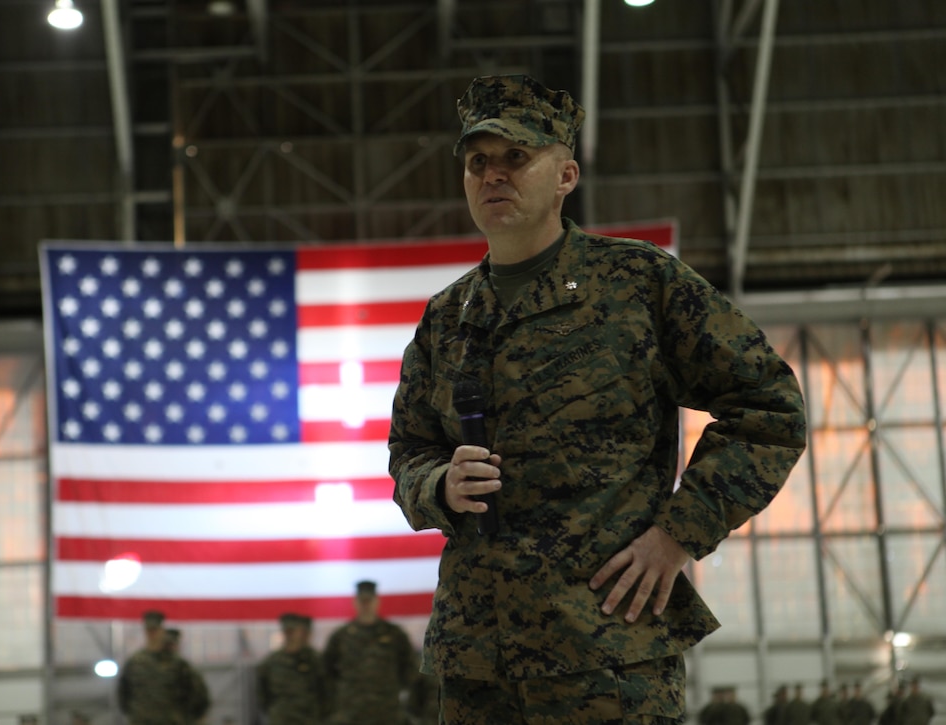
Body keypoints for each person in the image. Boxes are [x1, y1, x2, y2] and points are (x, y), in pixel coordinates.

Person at [387, 73, 807, 724]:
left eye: (515, 158)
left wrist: (676, 535)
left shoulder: (640, 285)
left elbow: (771, 409)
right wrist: (438, 483)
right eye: (477, 162)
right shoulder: (447, 318)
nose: (493, 174)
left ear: (566, 176)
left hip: (608, 655)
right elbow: (409, 450)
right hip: (478, 664)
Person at [322, 581, 416, 724]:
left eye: (369, 601)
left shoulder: (394, 635)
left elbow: (410, 667)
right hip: (350, 714)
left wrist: (391, 690)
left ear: (377, 602)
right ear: (355, 603)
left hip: (387, 713)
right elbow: (327, 671)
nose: (365, 605)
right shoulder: (341, 636)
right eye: (362, 601)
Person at [117, 610, 198, 725]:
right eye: (149, 630)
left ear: (162, 631)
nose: (152, 634)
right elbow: (123, 696)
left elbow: (194, 695)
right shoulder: (134, 663)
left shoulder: (178, 664)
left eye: (155, 630)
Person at [256, 613, 329, 725]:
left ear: (303, 633)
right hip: (281, 720)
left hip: (309, 719)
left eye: (293, 631)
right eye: (287, 631)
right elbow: (263, 696)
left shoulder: (316, 661)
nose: (289, 635)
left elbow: (326, 693)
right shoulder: (271, 663)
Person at [165, 628, 212, 723]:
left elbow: (203, 701)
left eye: (172, 645)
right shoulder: (152, 670)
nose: (170, 650)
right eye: (167, 646)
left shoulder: (188, 672)